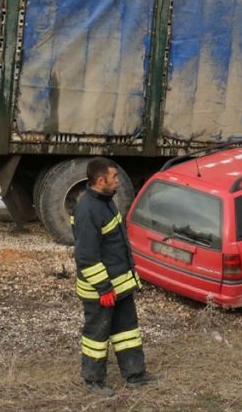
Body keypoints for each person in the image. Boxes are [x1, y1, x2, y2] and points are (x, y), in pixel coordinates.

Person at [73, 157, 157, 396]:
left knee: (127, 331)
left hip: (118, 286)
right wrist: (103, 288)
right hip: (102, 291)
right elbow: (87, 256)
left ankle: (135, 374)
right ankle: (93, 381)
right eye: (114, 178)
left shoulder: (106, 201)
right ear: (101, 180)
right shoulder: (87, 210)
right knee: (96, 336)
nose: (118, 181)